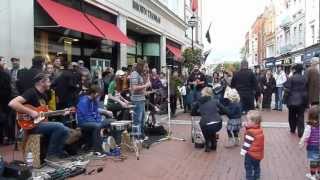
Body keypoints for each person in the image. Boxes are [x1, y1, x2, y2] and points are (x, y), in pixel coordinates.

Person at [8, 73, 70, 161]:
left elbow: (44, 112)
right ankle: (51, 156)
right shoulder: (31, 92)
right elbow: (12, 103)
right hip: (31, 125)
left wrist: (61, 112)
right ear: (41, 82)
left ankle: (57, 152)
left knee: (66, 130)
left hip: (40, 123)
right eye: (48, 81)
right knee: (60, 127)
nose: (50, 84)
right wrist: (31, 112)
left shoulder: (44, 95)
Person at [76, 85, 113, 152]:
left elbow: (96, 112)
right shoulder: (84, 101)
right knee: (97, 126)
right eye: (98, 94)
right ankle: (97, 149)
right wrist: (99, 121)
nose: (99, 96)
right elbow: (87, 117)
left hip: (94, 120)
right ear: (93, 93)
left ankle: (113, 144)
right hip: (84, 122)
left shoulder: (94, 100)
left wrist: (101, 118)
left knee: (112, 121)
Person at [195, 87, 226, 152]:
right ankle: (214, 143)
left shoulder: (199, 102)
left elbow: (192, 112)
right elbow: (224, 110)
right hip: (218, 123)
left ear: (203, 93)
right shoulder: (215, 101)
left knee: (204, 124)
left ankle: (207, 143)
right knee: (212, 127)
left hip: (206, 124)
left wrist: (201, 112)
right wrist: (215, 112)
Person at [284, 64, 308, 137]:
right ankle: (301, 132)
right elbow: (307, 89)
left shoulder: (291, 78)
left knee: (292, 115)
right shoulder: (305, 78)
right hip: (302, 100)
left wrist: (285, 99)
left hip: (292, 100)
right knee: (301, 116)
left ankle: (292, 128)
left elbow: (287, 90)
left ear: (295, 70)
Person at [130, 60, 151, 140]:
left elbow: (141, 87)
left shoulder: (140, 74)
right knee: (137, 119)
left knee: (142, 119)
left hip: (141, 99)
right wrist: (146, 85)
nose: (146, 68)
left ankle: (141, 135)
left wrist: (145, 89)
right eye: (145, 67)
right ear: (140, 66)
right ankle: (136, 137)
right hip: (136, 100)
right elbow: (134, 88)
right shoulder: (134, 74)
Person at [240, 110, 264, 180]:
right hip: (258, 154)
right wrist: (247, 126)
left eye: (248, 121)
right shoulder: (259, 129)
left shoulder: (250, 132)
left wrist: (243, 151)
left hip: (250, 154)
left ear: (253, 122)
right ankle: (257, 177)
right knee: (256, 166)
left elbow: (247, 143)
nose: (246, 122)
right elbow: (252, 129)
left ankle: (249, 178)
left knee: (248, 167)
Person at [299, 106, 320, 180]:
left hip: (312, 146)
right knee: (318, 160)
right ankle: (318, 174)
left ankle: (313, 175)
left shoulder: (309, 126)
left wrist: (301, 143)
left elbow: (305, 136)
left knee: (313, 160)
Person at [0, 56, 13, 144]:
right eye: (3, 61)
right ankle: (8, 138)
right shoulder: (4, 74)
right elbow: (8, 89)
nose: (4, 63)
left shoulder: (5, 73)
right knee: (7, 120)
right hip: (4, 101)